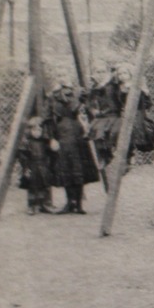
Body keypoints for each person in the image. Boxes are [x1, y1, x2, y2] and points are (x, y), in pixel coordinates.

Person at [44, 67, 100, 214]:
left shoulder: (78, 92)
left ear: (69, 75)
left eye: (64, 73)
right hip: (61, 132)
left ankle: (79, 204)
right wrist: (51, 138)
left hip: (76, 131)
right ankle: (70, 202)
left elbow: (89, 102)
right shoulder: (52, 96)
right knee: (65, 167)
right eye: (59, 74)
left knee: (78, 166)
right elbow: (48, 118)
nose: (62, 77)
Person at [17, 114, 55, 214]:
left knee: (43, 185)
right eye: (34, 130)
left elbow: (49, 154)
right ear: (30, 130)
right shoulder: (27, 143)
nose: (37, 132)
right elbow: (23, 156)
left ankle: (42, 205)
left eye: (39, 130)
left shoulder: (43, 142)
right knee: (32, 186)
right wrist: (26, 167)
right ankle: (31, 205)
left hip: (42, 165)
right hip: (32, 166)